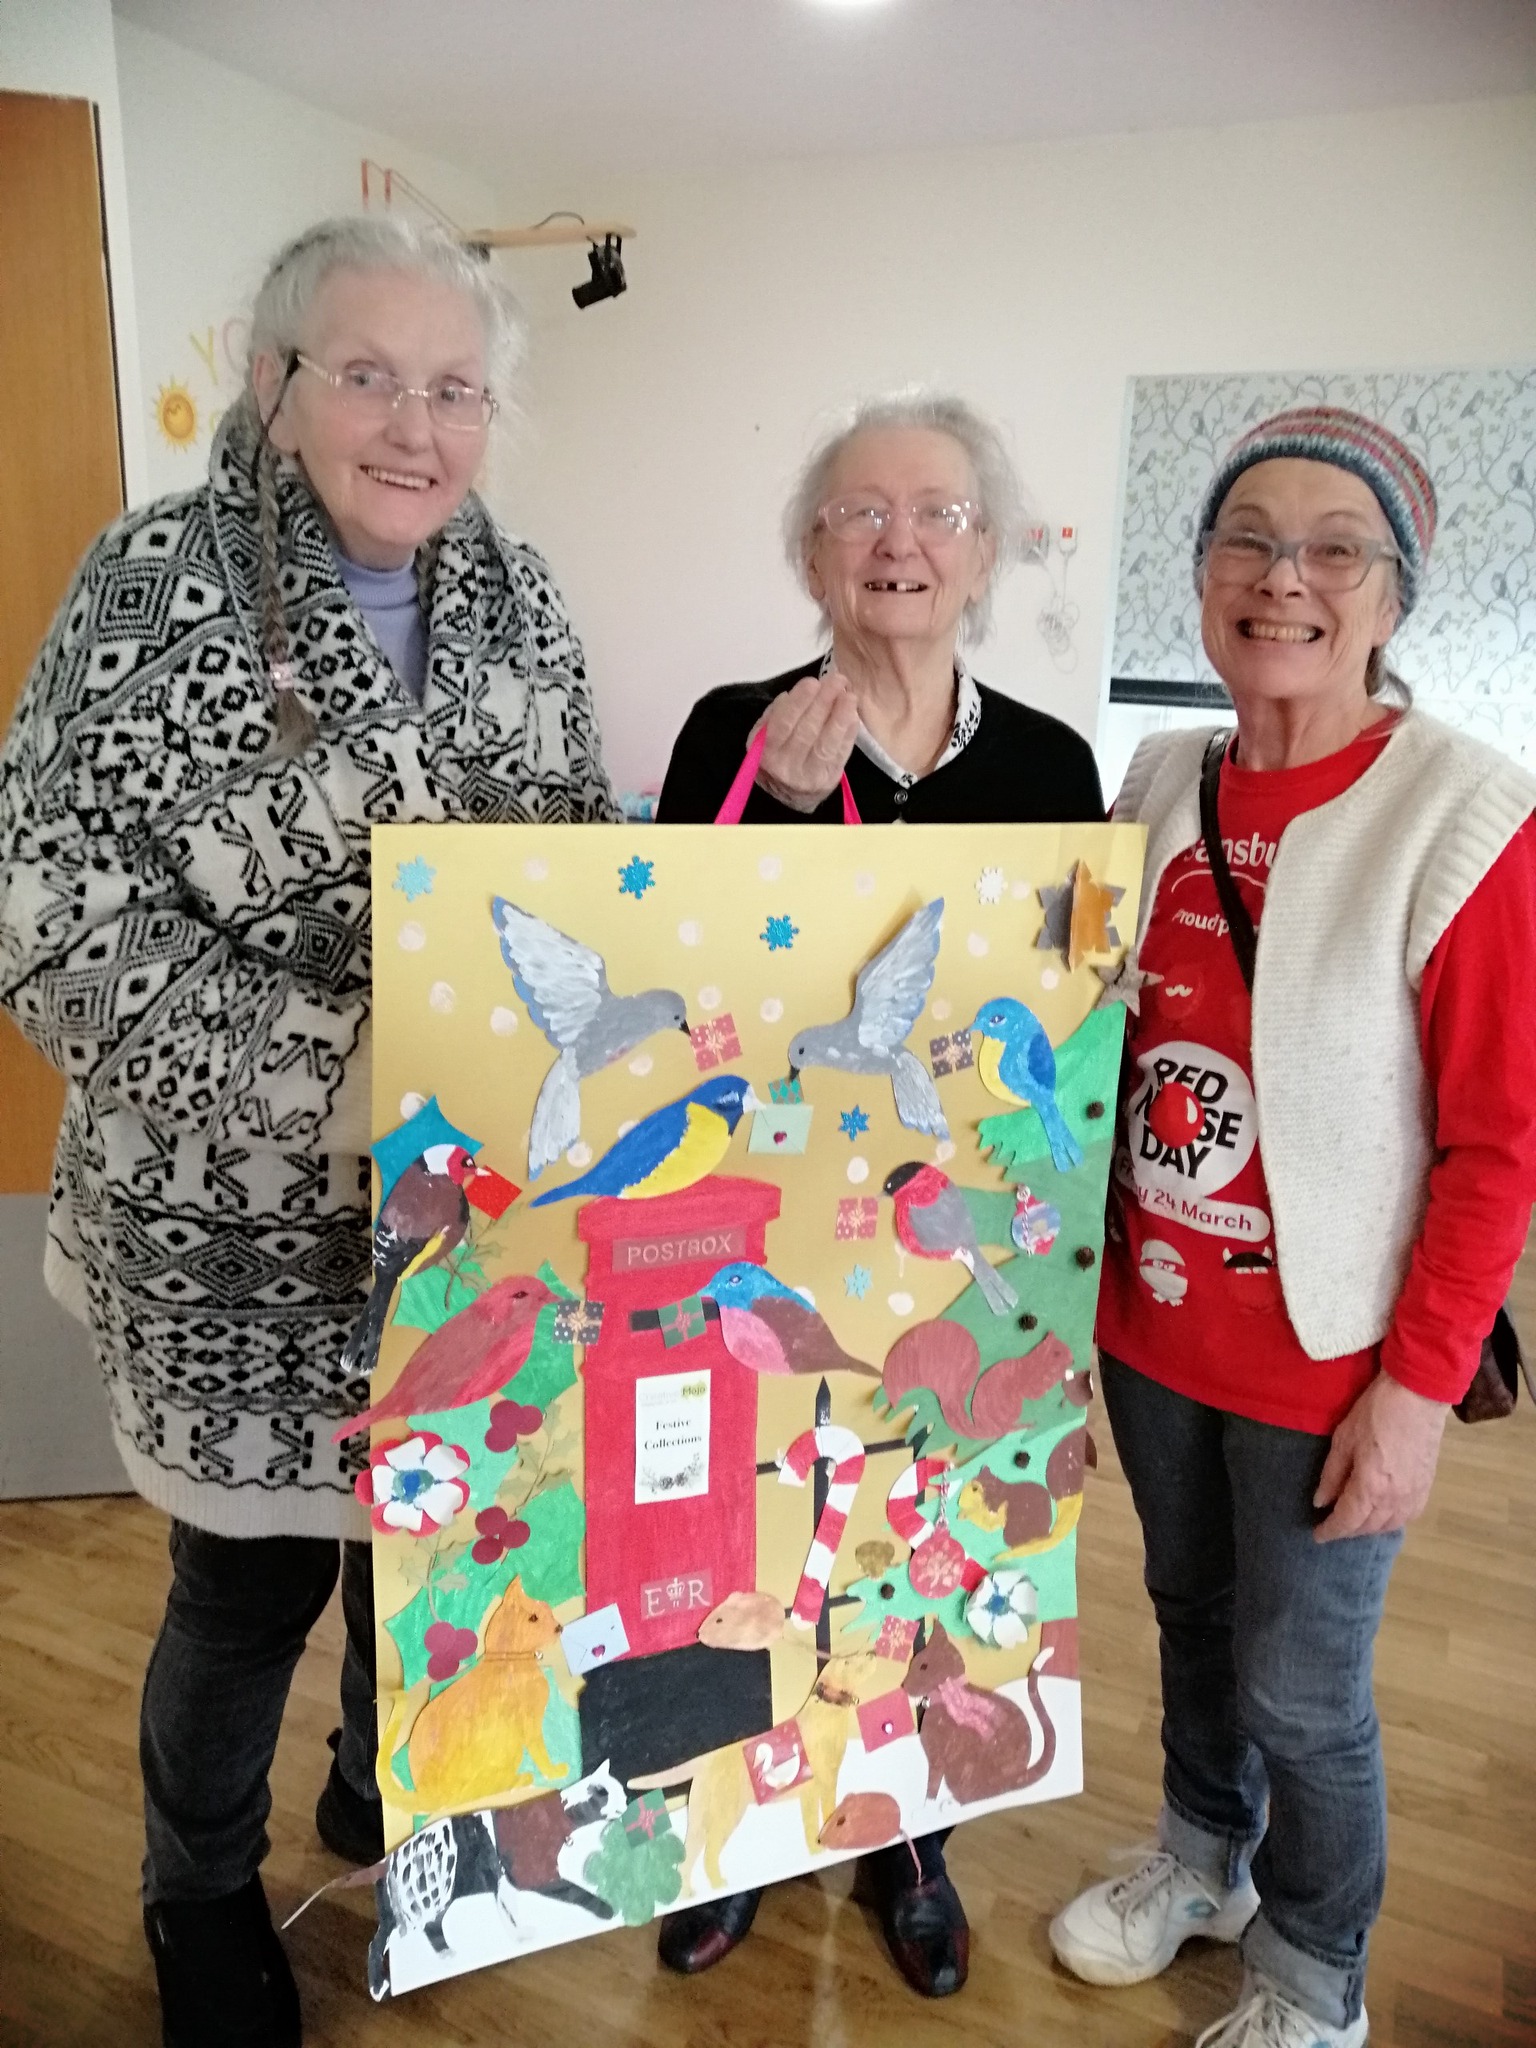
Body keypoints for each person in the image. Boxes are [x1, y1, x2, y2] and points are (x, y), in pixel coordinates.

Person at [0, 215, 616, 2048]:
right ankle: (195, 1891)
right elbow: (52, 920)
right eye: (369, 377)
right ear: (274, 385)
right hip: (230, 1228)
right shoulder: (150, 586)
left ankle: (375, 1791)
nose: (417, 427)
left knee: (418, 1552)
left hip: (463, 1222)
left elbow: (581, 853)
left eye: (456, 389)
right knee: (248, 1580)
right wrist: (360, 1074)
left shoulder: (522, 596)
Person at [1049, 407, 1536, 2048]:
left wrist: (1417, 1394)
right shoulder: (1157, 778)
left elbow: (1496, 1146)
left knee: (1304, 1690)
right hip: (1153, 1329)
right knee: (1192, 1622)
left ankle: (1318, 1970)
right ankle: (1205, 1858)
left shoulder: (1463, 813)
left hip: (1329, 1361)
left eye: (1336, 548)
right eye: (1247, 540)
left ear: (1393, 597)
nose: (1284, 578)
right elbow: (1086, 1033)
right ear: (1200, 576)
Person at [656, 392, 1104, 1995]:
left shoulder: (1051, 760)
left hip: (950, 1229)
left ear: (985, 558)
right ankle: (741, 1833)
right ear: (810, 553)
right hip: (770, 1222)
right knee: (760, 1524)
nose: (898, 541)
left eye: (938, 514)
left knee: (930, 1524)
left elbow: (1070, 1012)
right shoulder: (731, 729)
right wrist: (777, 816)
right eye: (859, 512)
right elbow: (677, 987)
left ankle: (910, 1836)